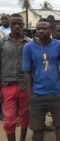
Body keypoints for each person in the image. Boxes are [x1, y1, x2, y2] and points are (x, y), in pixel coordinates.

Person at [22, 18, 60, 141]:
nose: (41, 31)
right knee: (37, 128)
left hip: (56, 93)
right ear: (36, 31)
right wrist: (30, 94)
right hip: (37, 94)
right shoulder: (28, 47)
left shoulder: (59, 45)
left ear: (51, 31)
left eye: (45, 28)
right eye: (39, 29)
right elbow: (27, 72)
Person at [0, 13, 29, 141]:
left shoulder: (30, 44)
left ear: (23, 25)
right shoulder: (2, 43)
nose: (17, 26)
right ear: (10, 25)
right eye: (14, 23)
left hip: (25, 85)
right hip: (7, 85)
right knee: (9, 118)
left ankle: (22, 139)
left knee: (25, 115)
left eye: (19, 24)